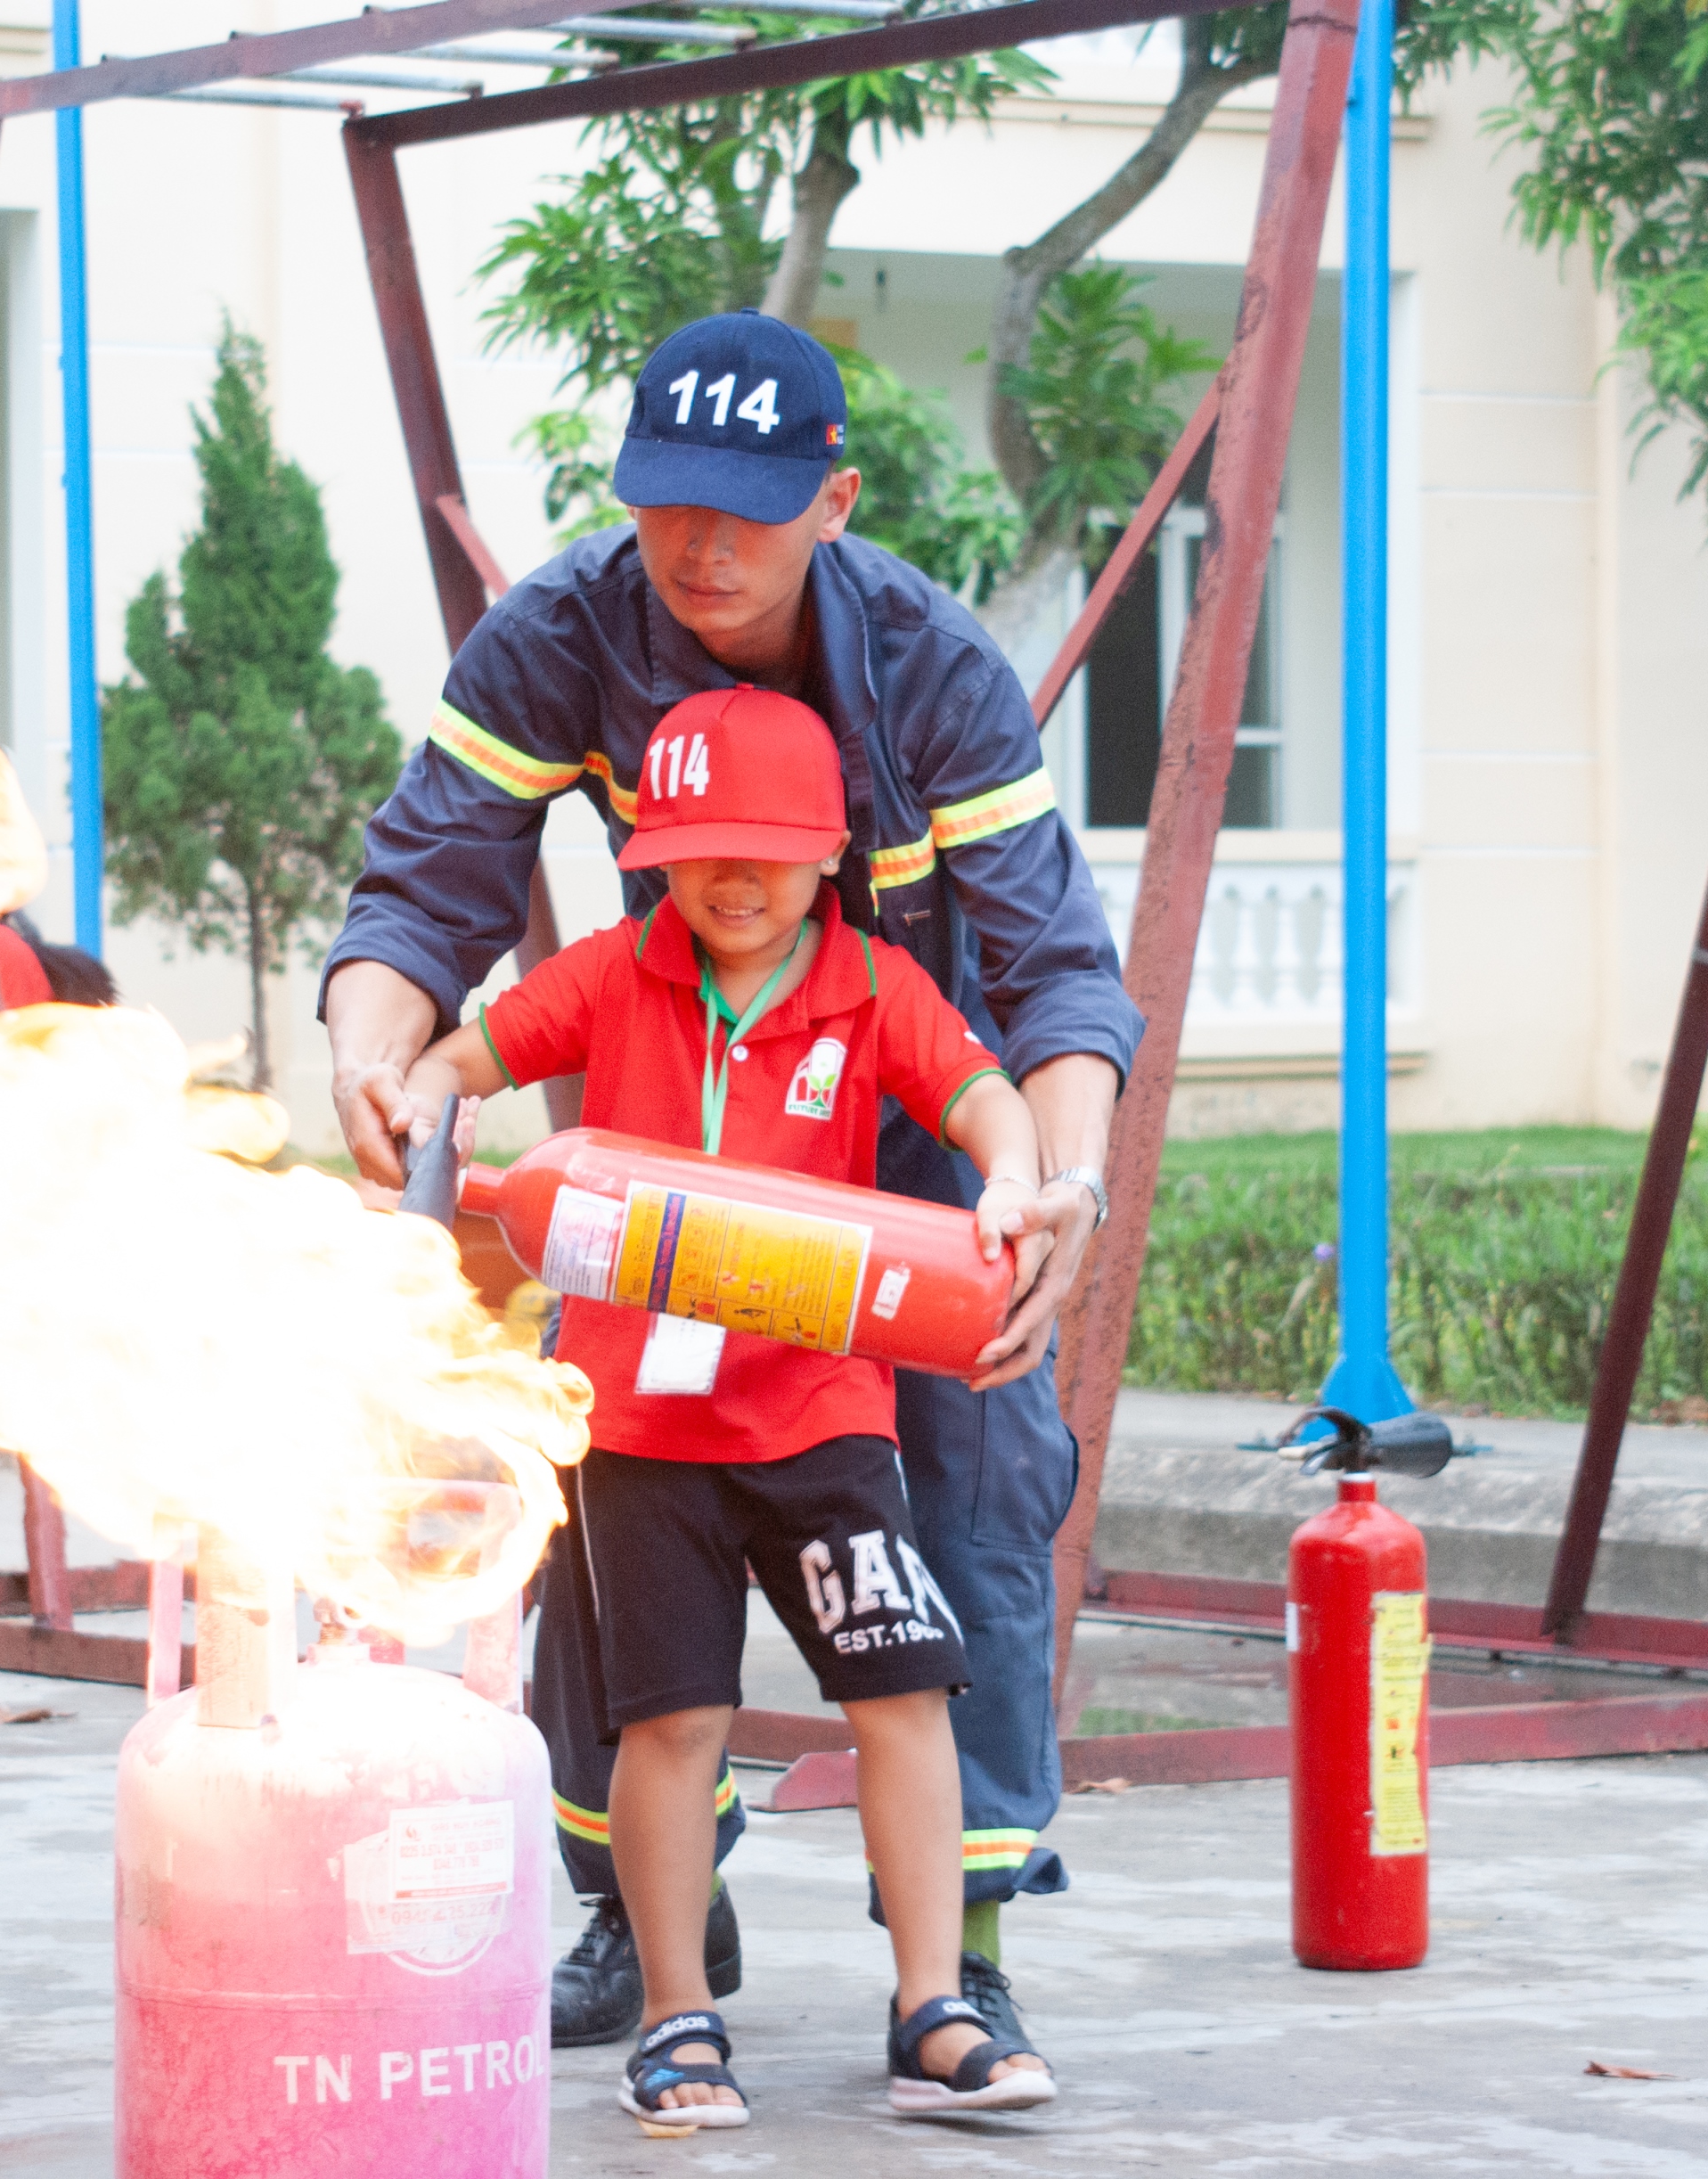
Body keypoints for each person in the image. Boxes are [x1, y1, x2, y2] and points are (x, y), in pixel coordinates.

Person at [323, 309, 1141, 2053]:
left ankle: (963, 1947)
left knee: (973, 1500)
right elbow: (423, 887)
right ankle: (639, 1915)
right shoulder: (562, 630)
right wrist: (376, 1050)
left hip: (919, 1139)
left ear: (833, 499)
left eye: (746, 513)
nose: (696, 546)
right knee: (611, 1508)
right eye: (664, 503)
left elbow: (1055, 971)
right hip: (674, 1141)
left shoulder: (927, 669)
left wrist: (1054, 1184)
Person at [390, 684, 1058, 2123]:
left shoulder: (872, 985)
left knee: (901, 1689)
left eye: (768, 848)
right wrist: (415, 1096)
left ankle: (933, 2003)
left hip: (824, 1417)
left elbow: (987, 1095)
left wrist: (1011, 1177)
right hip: (641, 1432)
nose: (735, 879)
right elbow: (466, 1057)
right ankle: (678, 2014)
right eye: (701, 850)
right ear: (654, 852)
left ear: (830, 852)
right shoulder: (605, 977)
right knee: (673, 1722)